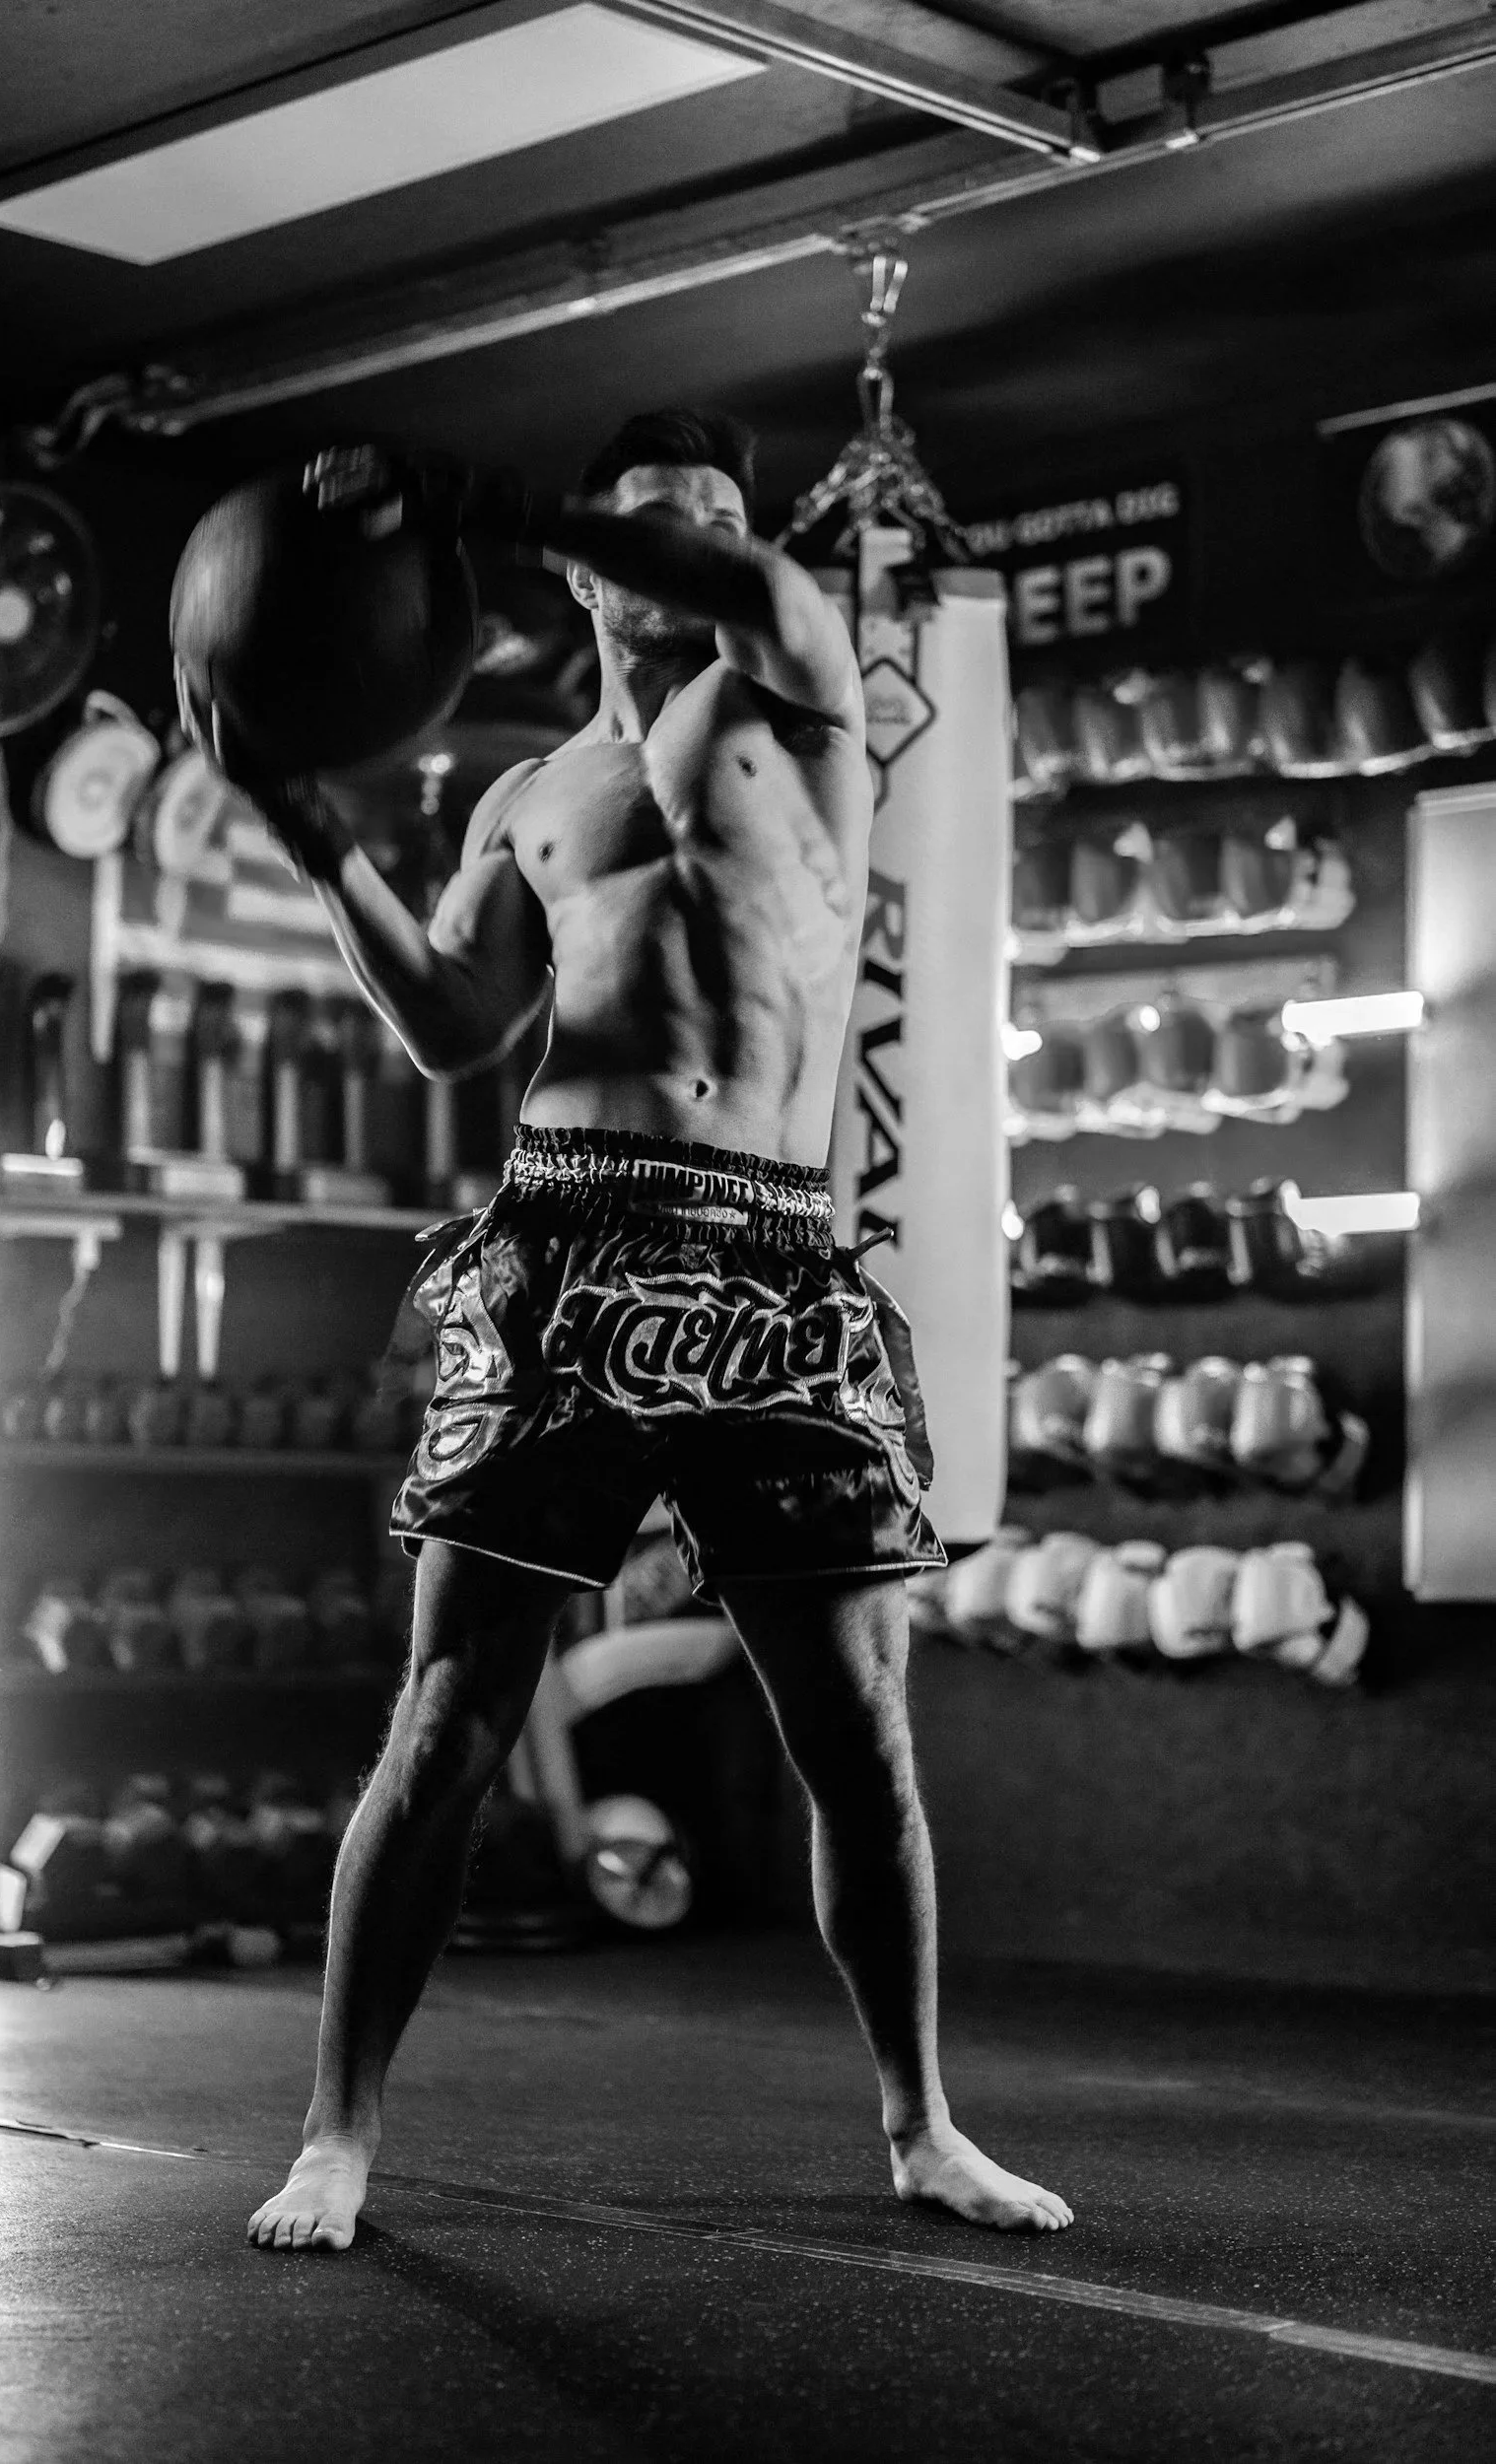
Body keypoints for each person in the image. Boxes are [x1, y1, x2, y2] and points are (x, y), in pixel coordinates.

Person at [214, 408, 1072, 2251]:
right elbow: (450, 1021)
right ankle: (338, 2136)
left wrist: (488, 489)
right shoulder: (527, 796)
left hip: (771, 1257)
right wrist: (302, 828)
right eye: (656, 521)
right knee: (449, 1717)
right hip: (565, 1242)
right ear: (595, 562)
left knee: (856, 1729)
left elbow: (755, 576)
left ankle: (922, 2125)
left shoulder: (792, 696)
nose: (703, 544)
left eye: (713, 520)